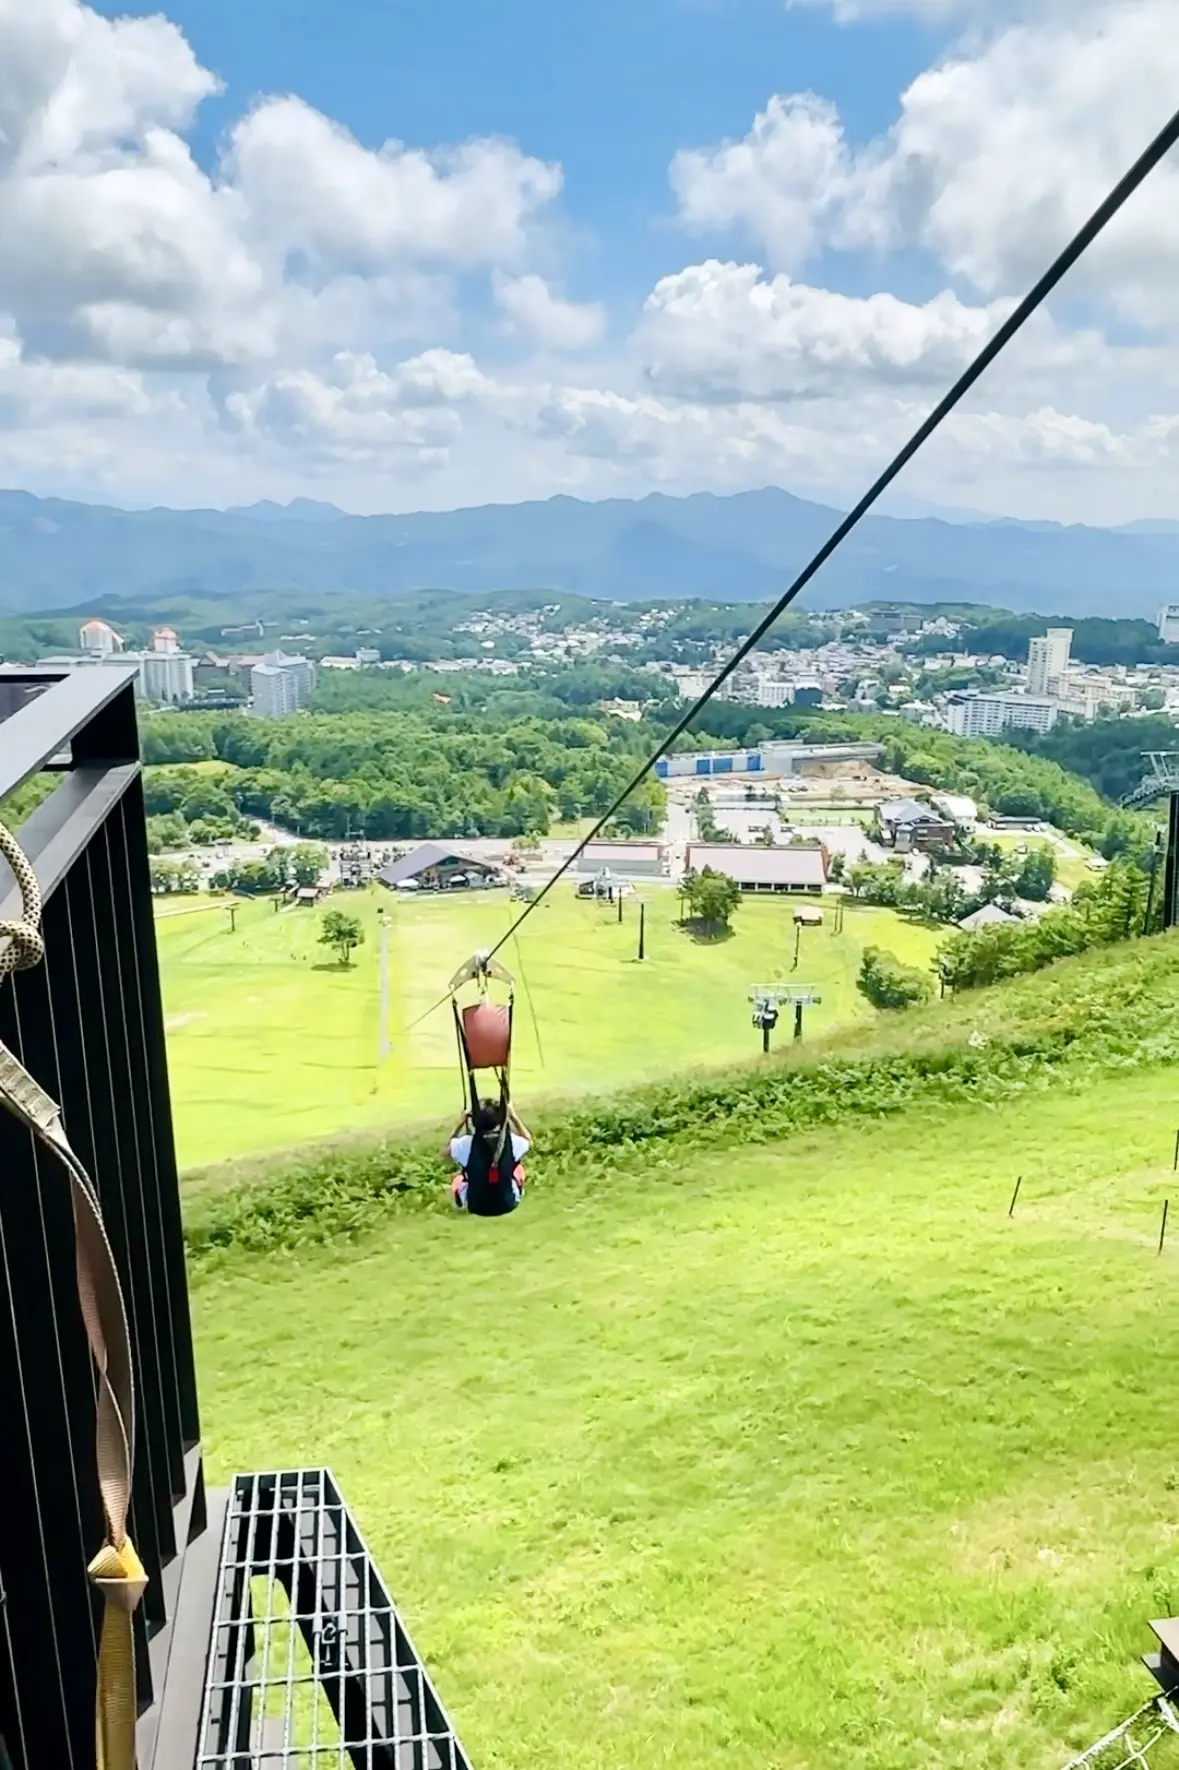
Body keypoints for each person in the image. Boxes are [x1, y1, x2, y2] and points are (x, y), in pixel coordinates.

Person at [446, 1098, 532, 1215]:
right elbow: (528, 1141)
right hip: (508, 1202)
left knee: (457, 1178)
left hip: (475, 1205)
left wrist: (461, 1123)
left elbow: (446, 1153)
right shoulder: (510, 1142)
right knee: (518, 1168)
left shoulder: (466, 1144)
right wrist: (512, 1116)